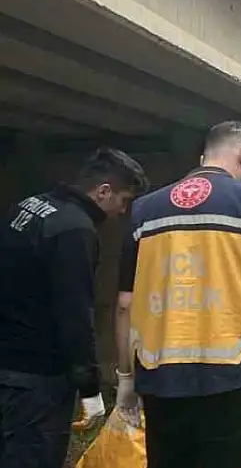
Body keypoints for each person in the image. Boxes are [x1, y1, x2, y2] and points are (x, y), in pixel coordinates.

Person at [114, 120, 241, 468]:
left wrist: (126, 377)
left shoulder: (144, 210)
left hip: (162, 377)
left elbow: (126, 305)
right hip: (236, 376)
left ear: (204, 156)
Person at [0, 147, 147, 468]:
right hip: (38, 377)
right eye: (123, 200)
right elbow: (75, 314)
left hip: (8, 360)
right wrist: (90, 387)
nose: (122, 211)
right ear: (103, 191)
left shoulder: (29, 205)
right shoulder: (76, 229)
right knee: (31, 457)